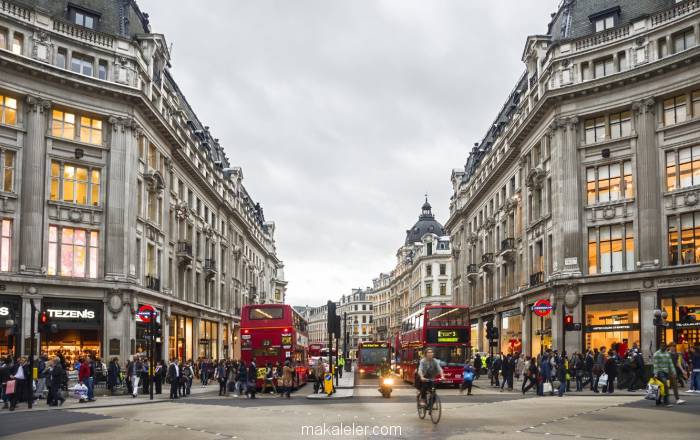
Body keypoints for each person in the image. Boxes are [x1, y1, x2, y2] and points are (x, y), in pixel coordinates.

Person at [653, 342, 685, 406]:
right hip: (660, 371)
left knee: (667, 385)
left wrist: (674, 372)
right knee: (664, 385)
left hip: (667, 371)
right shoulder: (656, 354)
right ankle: (665, 401)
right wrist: (656, 374)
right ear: (660, 347)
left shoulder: (668, 354)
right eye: (662, 346)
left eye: (664, 346)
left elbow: (671, 364)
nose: (663, 347)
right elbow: (655, 365)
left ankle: (660, 400)